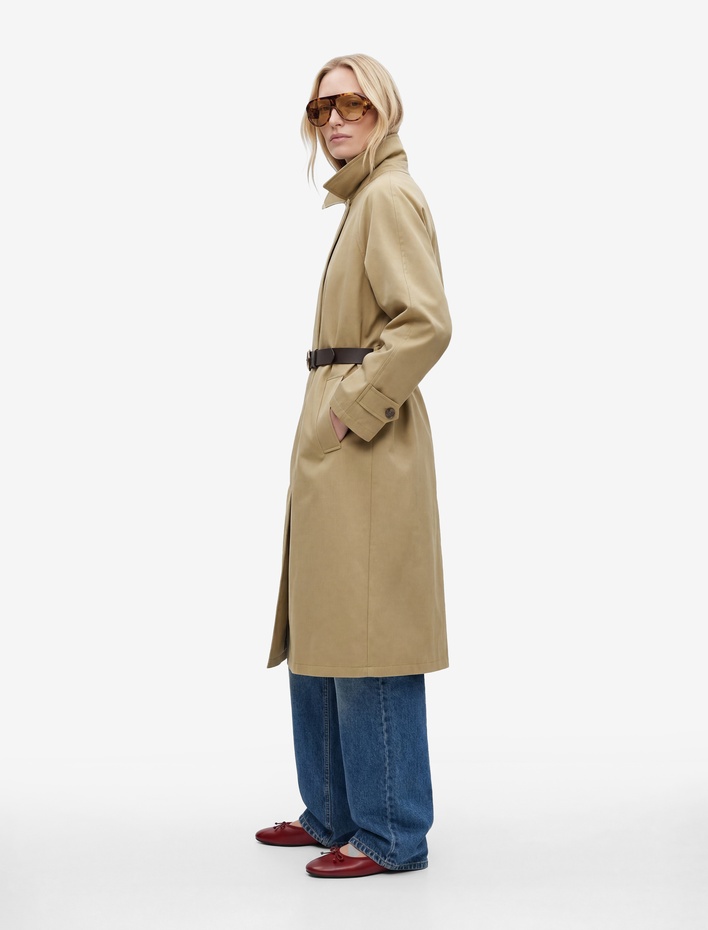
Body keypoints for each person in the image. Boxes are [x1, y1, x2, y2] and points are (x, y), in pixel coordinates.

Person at [256, 53, 452, 879]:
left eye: (351, 104)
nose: (333, 120)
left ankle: (391, 832)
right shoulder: (363, 198)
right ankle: (332, 812)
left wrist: (349, 409)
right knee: (324, 624)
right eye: (320, 109)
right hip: (337, 439)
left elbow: (426, 324)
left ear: (385, 109)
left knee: (370, 630)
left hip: (366, 441)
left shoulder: (389, 196)